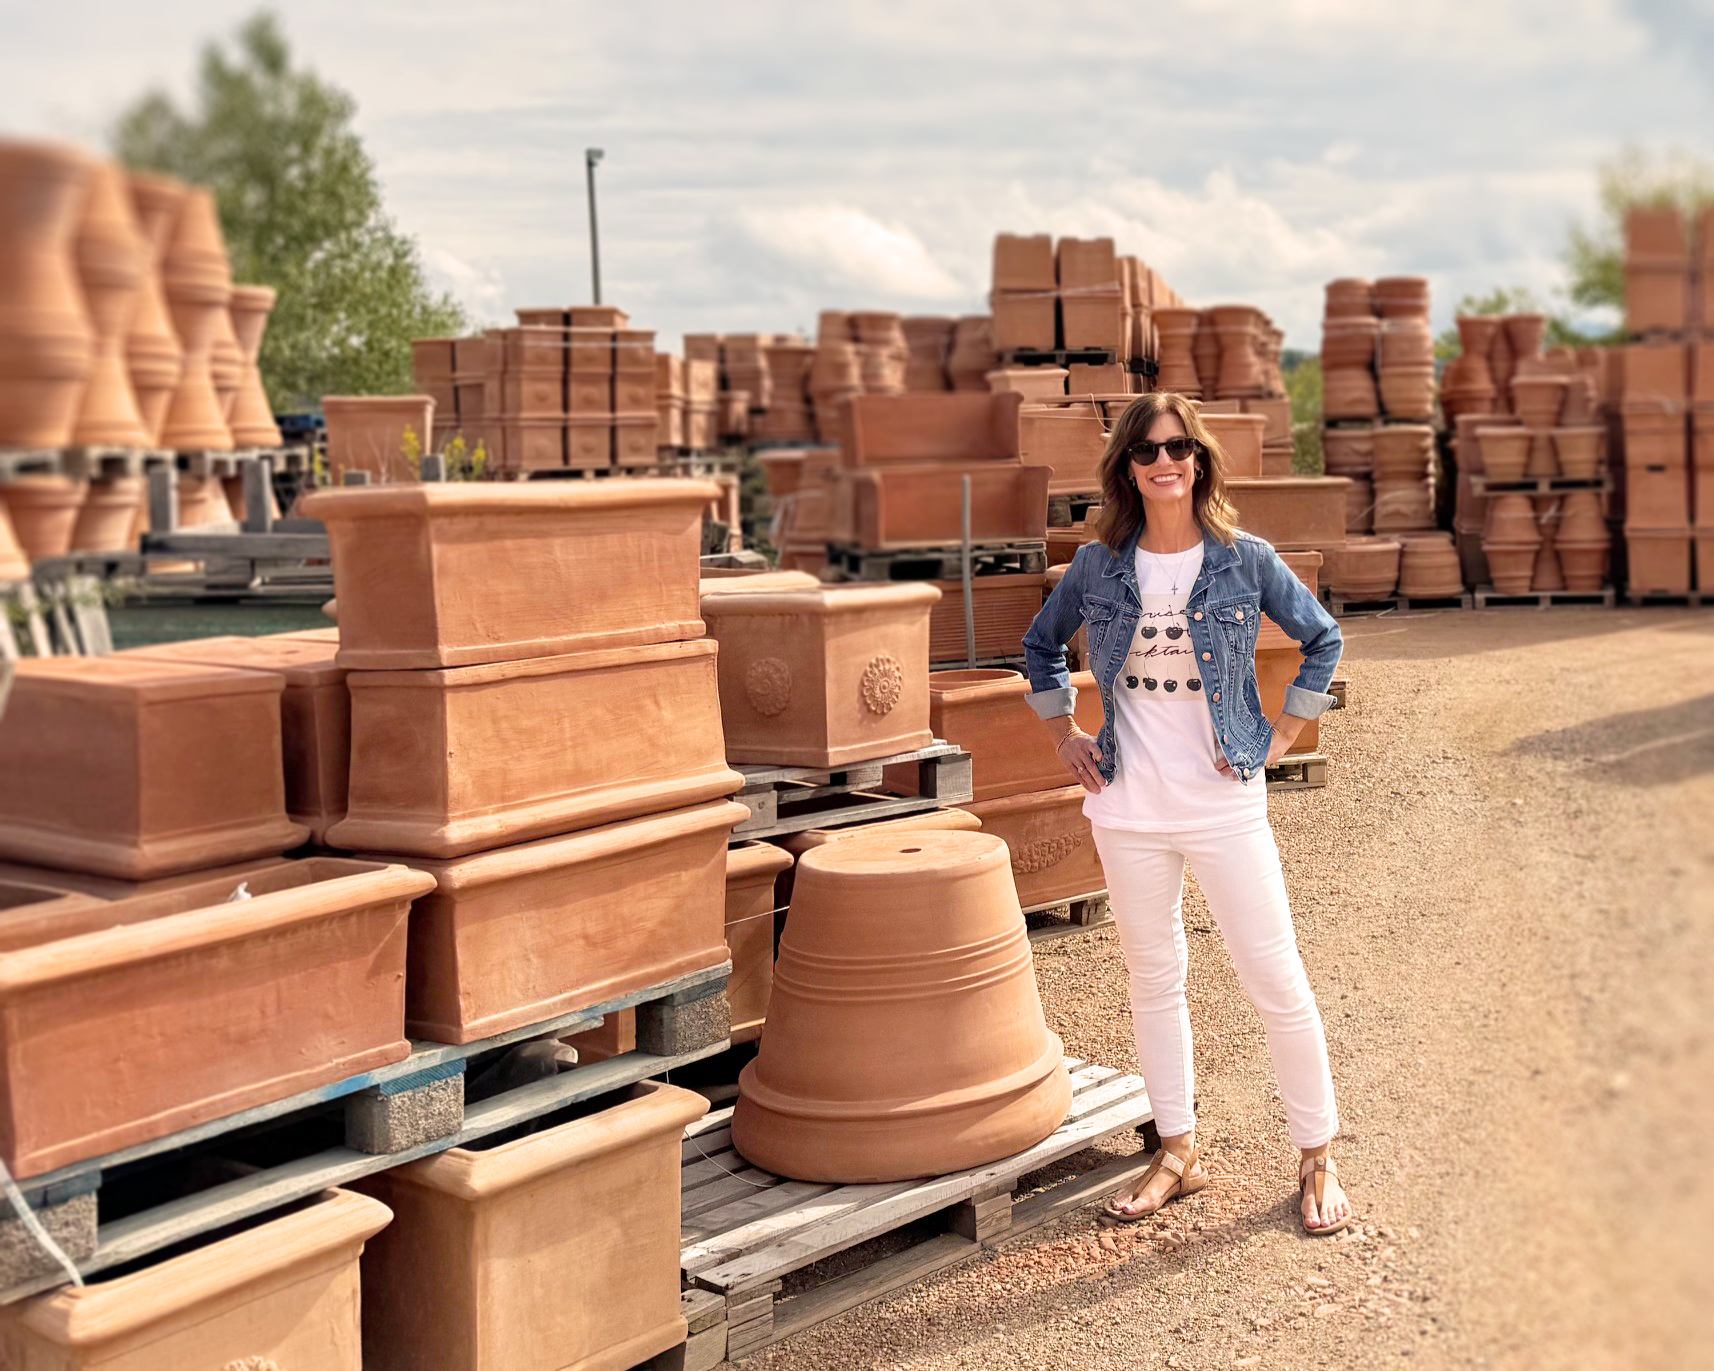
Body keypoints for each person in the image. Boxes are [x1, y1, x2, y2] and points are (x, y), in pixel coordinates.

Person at [1021, 391, 1352, 1235]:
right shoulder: (1098, 566)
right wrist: (1064, 733)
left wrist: (1280, 735)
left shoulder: (1245, 559)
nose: (1164, 461)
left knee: (1274, 978)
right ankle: (1177, 1151)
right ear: (1127, 469)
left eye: (1178, 447)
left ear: (1200, 460)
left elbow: (1324, 638)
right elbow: (1039, 644)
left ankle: (1317, 1155)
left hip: (1222, 805)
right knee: (1154, 978)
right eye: (1147, 450)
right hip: (1126, 805)